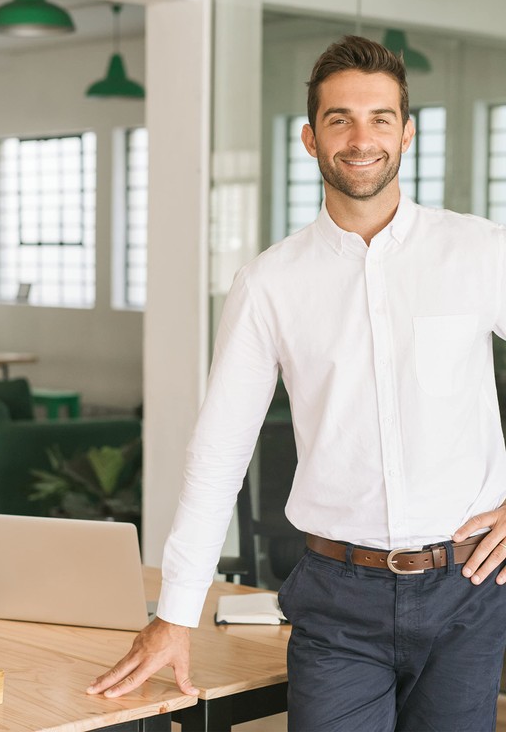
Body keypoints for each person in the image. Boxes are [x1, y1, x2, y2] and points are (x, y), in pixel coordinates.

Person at [87, 35, 506, 731]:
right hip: (337, 599)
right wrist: (176, 614)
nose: (361, 138)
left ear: (406, 133)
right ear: (311, 139)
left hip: (469, 588)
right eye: (340, 120)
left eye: (380, 119)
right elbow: (219, 450)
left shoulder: (480, 251)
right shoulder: (269, 284)